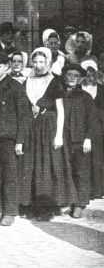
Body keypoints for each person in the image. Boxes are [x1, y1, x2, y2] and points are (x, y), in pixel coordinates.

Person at [22, 48, 75, 219]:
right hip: (32, 127)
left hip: (49, 126)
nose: (38, 66)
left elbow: (60, 110)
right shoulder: (27, 81)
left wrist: (59, 135)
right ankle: (33, 205)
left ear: (48, 63)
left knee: (48, 165)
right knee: (34, 164)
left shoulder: (55, 82)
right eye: (35, 62)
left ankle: (49, 207)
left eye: (41, 62)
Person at [0, 50, 31, 226]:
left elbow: (24, 115)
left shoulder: (15, 87)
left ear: (8, 67)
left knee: (9, 174)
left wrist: (20, 140)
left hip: (8, 138)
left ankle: (10, 211)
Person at [61, 63, 98, 218]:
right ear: (64, 76)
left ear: (81, 79)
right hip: (63, 139)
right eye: (69, 75)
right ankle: (69, 200)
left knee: (81, 171)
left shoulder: (85, 97)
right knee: (67, 170)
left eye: (76, 76)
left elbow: (92, 120)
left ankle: (80, 204)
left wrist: (88, 138)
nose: (72, 79)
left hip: (80, 140)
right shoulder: (60, 94)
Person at [81, 60, 104, 199]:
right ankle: (85, 190)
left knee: (97, 159)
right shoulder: (79, 89)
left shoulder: (101, 89)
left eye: (93, 73)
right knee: (84, 159)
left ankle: (98, 190)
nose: (90, 76)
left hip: (98, 128)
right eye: (87, 73)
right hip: (81, 126)